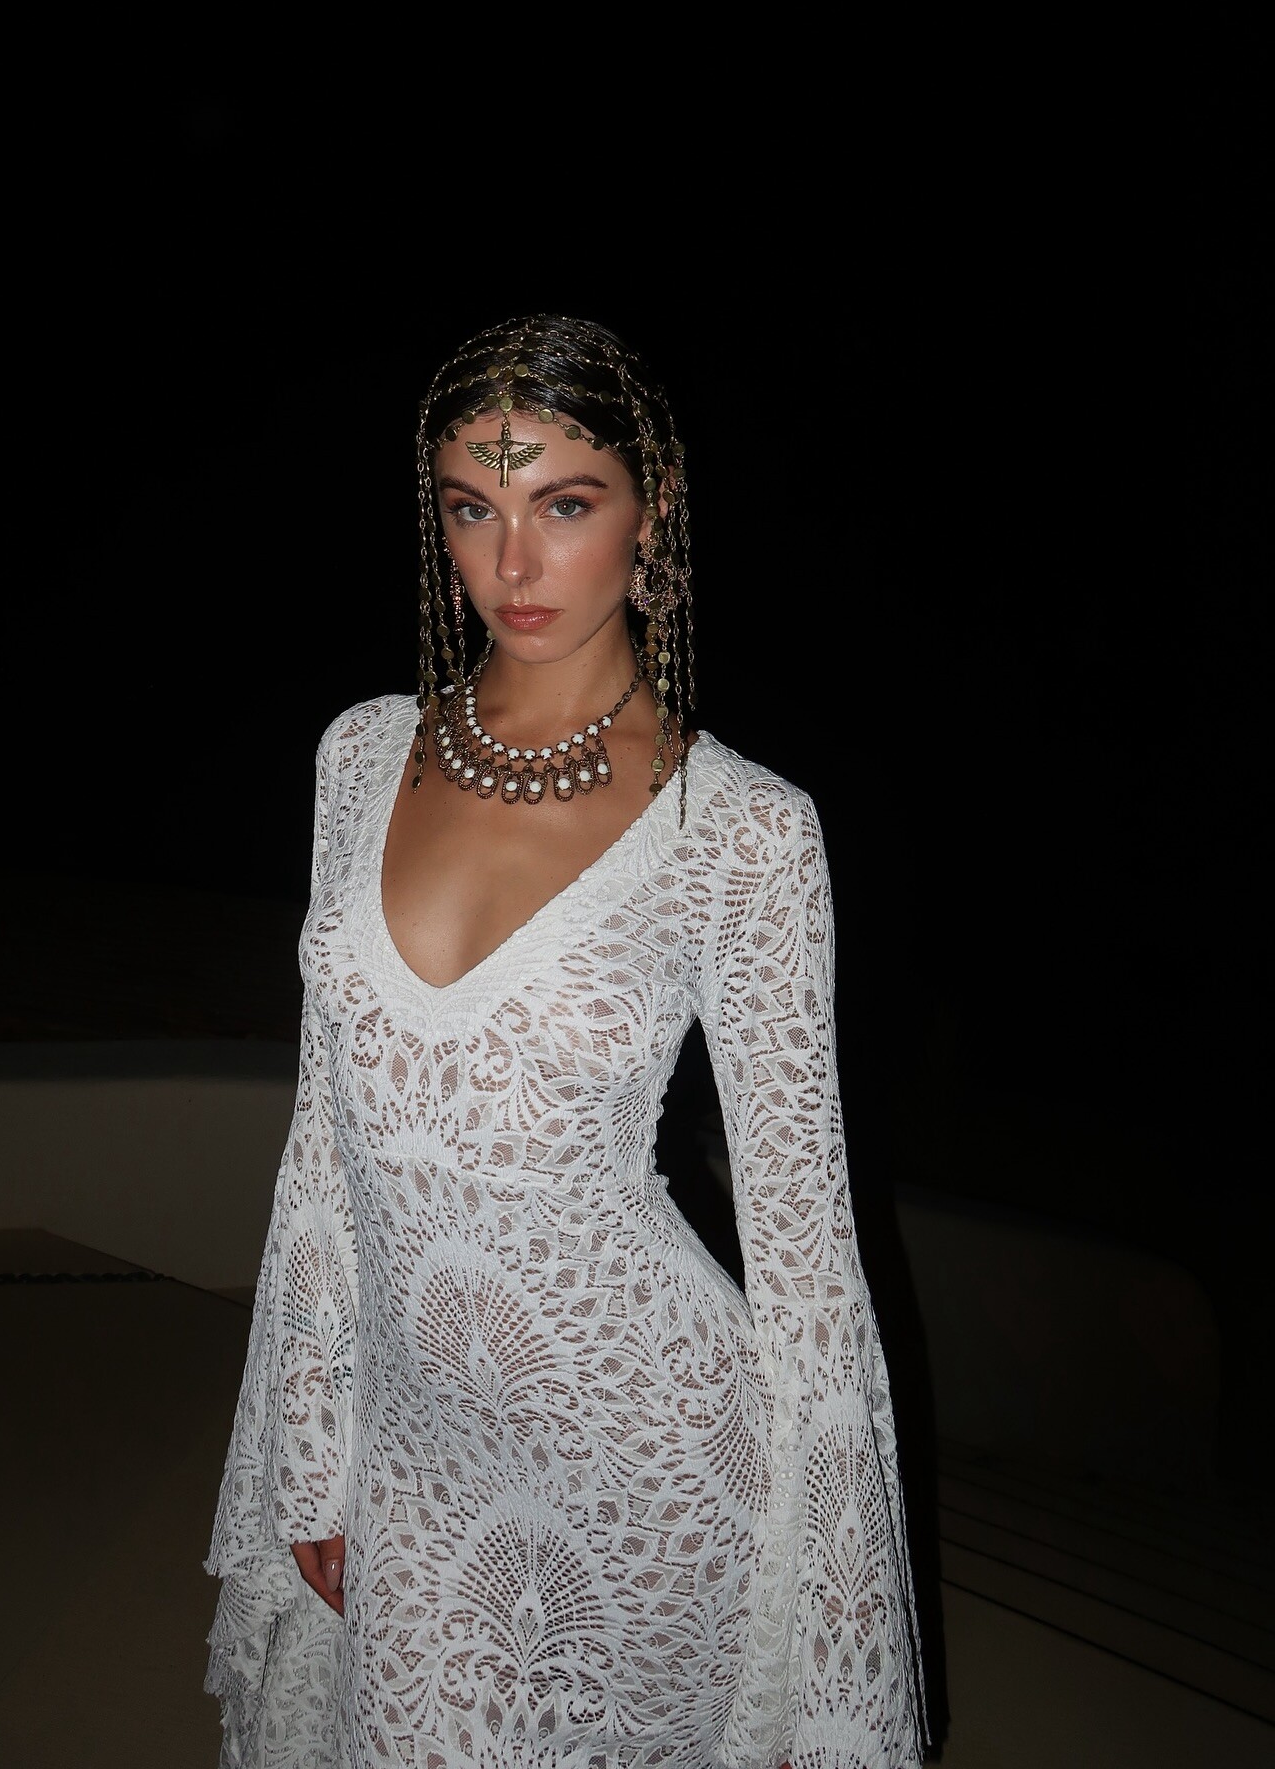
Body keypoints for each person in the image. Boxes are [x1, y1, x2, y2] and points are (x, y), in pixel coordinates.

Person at [204, 314, 928, 1768]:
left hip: (650, 1462)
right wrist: (308, 1444)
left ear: (651, 515)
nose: (515, 564)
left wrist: (828, 1639)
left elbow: (808, 1269)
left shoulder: (745, 834)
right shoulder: (360, 757)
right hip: (411, 1440)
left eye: (565, 504)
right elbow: (326, 1150)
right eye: (473, 508)